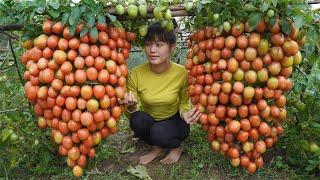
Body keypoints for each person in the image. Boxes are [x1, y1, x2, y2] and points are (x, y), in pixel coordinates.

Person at [119, 21, 201, 165]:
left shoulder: (181, 73)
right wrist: (130, 105)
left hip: (175, 122)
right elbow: (131, 112)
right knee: (136, 120)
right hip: (152, 120)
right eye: (148, 44)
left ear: (172, 47)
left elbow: (183, 102)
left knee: (159, 132)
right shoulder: (137, 73)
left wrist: (185, 113)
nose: (152, 50)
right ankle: (159, 148)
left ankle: (176, 147)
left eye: (159, 45)